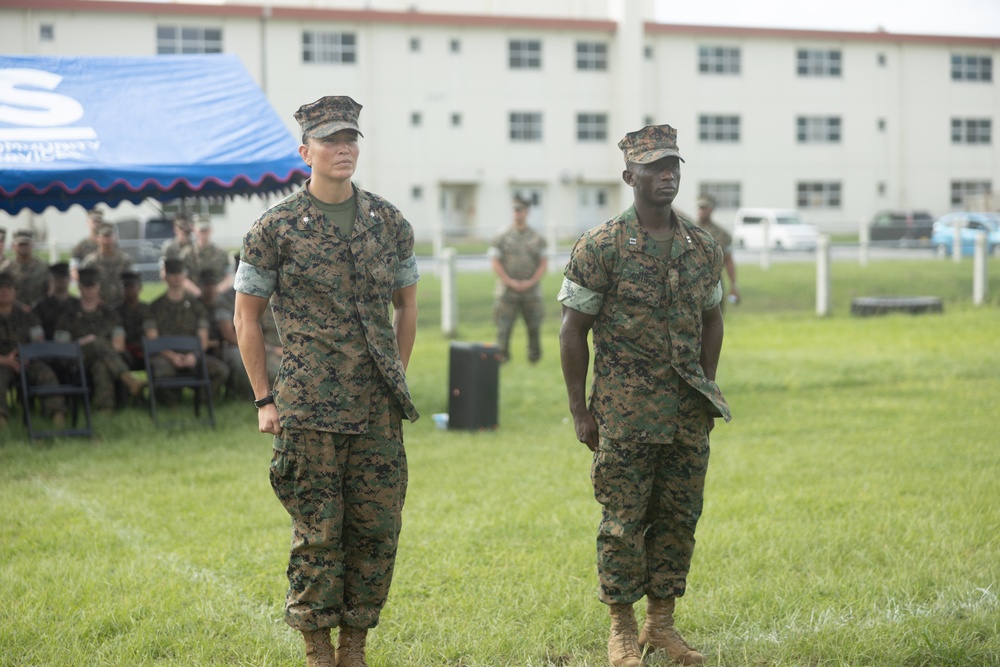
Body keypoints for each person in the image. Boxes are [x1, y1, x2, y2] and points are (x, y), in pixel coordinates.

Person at [233, 95, 419, 667]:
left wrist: (397, 375)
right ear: (304, 151)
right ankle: (317, 651)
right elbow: (246, 317)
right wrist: (265, 399)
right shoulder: (276, 228)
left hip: (376, 410)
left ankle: (354, 649)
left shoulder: (388, 222)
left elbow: (407, 307)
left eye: (352, 139)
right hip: (309, 406)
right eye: (332, 140)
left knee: (376, 530)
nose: (345, 148)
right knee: (318, 532)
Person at [557, 124, 732, 667]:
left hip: (685, 415)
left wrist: (706, 383)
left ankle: (661, 625)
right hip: (625, 414)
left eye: (674, 166)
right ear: (630, 175)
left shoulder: (702, 246)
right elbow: (571, 332)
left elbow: (713, 319)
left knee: (679, 519)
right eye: (655, 168)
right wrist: (581, 411)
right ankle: (622, 630)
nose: (668, 176)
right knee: (623, 522)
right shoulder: (602, 245)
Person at [54, 267, 146, 412]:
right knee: (96, 342)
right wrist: (82, 343)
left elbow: (119, 345)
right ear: (79, 287)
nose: (90, 291)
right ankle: (128, 379)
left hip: (107, 360)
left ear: (99, 287)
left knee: (101, 364)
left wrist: (99, 347)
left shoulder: (110, 314)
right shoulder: (68, 315)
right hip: (77, 359)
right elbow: (61, 348)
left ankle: (105, 410)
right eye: (86, 287)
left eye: (93, 287)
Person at [147, 258, 229, 404]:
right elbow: (153, 339)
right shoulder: (154, 307)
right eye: (173, 273)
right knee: (163, 375)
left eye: (180, 273)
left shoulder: (196, 307)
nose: (177, 277)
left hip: (192, 356)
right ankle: (169, 404)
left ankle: (202, 403)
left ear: (185, 276)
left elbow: (202, 339)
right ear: (165, 276)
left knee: (220, 371)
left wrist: (195, 355)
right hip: (165, 356)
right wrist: (172, 356)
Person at [0, 271, 66, 430]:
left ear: (14, 291)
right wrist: (4, 360)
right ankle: (2, 422)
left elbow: (39, 340)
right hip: (1, 362)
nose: (4, 291)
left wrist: (28, 355)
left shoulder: (27, 314)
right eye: (0, 288)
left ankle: (58, 417)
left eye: (8, 287)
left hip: (27, 359)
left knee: (47, 374)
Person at [488, 195, 547, 363]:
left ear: (527, 212)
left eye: (520, 210)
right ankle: (502, 357)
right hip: (507, 291)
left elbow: (543, 263)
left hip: (531, 291)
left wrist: (530, 282)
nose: (517, 213)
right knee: (503, 327)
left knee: (534, 327)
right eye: (514, 210)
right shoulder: (501, 236)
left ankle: (534, 357)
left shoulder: (537, 237)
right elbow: (495, 262)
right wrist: (510, 282)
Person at [694, 194, 740, 308]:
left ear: (712, 209)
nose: (702, 211)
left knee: (715, 322)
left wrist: (734, 286)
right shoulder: (687, 230)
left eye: (705, 207)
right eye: (700, 207)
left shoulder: (722, 234)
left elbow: (728, 261)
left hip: (714, 285)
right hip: (692, 285)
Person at [177, 215, 233, 297]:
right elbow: (182, 278)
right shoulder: (187, 254)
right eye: (201, 230)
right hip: (194, 299)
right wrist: (198, 293)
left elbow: (228, 277)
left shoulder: (222, 254)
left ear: (211, 230)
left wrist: (216, 291)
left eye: (206, 230)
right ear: (194, 230)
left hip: (219, 298)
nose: (204, 233)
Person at [81, 222, 134, 308]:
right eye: (104, 236)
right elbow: (84, 285)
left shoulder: (125, 260)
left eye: (109, 236)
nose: (107, 240)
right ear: (97, 238)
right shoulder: (90, 262)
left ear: (114, 237)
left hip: (122, 305)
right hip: (98, 306)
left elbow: (132, 283)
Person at [115, 271, 153, 371]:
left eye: (132, 286)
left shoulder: (149, 310)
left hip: (146, 351)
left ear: (140, 288)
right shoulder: (115, 312)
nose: (129, 290)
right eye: (125, 287)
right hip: (124, 353)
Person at [33, 262, 80, 341]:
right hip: (47, 349)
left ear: (69, 279)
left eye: (65, 277)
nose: (62, 281)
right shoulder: (40, 306)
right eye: (58, 278)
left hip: (74, 349)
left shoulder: (77, 304)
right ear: (51, 280)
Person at [8, 229, 49, 308]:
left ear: (32, 245)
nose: (24, 247)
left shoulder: (43, 267)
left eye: (26, 244)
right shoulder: (7, 269)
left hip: (40, 311)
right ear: (13, 246)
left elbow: (49, 291)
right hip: (14, 312)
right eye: (21, 244)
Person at [70, 208, 104, 283]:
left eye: (99, 221)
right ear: (88, 223)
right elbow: (74, 269)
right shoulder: (81, 246)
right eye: (94, 221)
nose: (96, 224)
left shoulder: (108, 244)